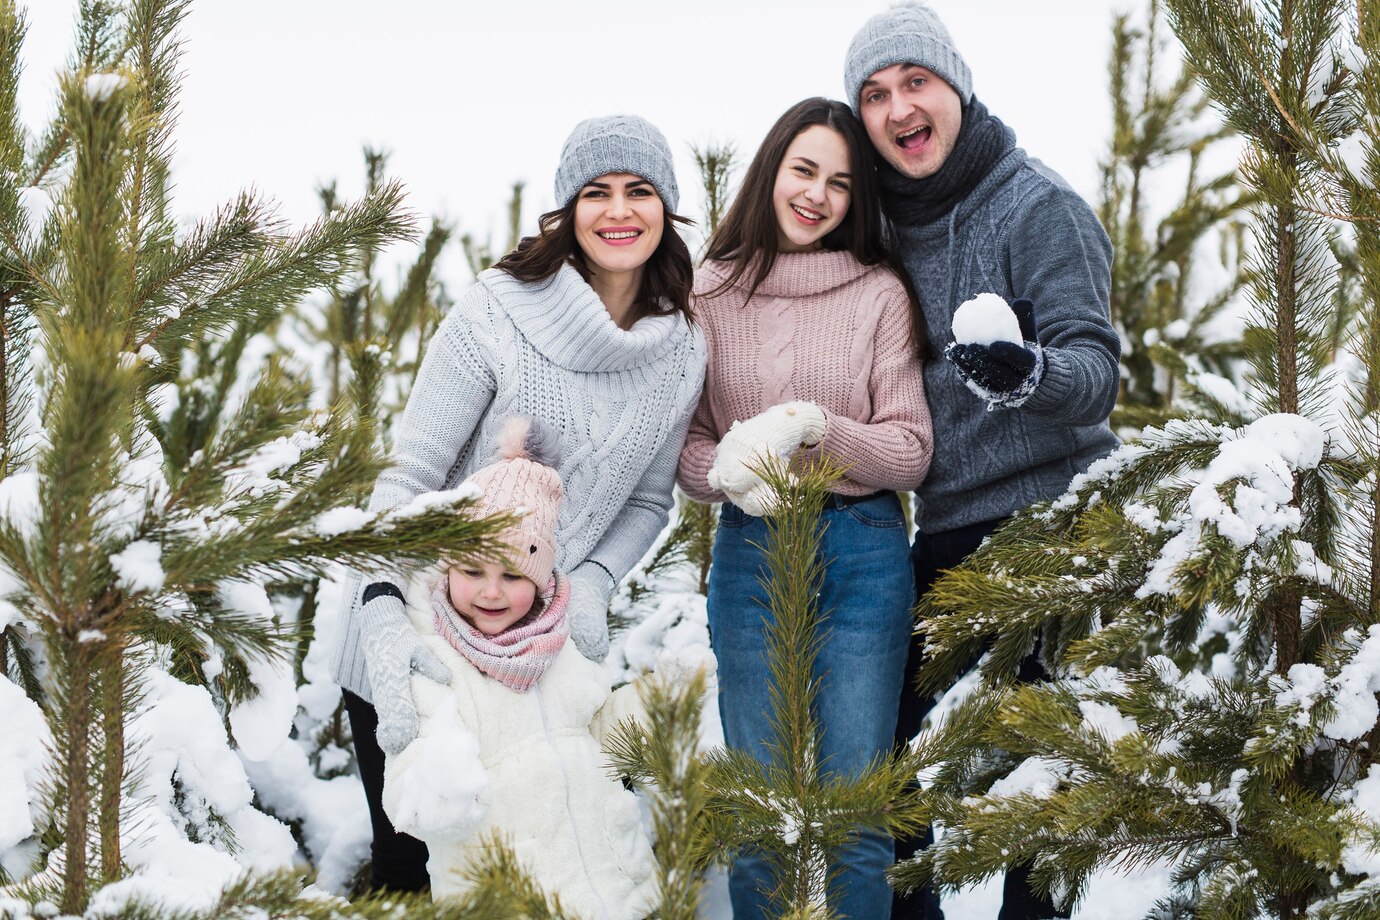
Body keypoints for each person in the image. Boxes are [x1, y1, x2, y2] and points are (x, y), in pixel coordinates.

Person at [330, 114, 707, 893]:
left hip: (537, 659)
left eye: (639, 191)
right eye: (595, 192)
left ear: (666, 209)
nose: (618, 211)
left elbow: (646, 498)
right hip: (418, 647)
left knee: (543, 877)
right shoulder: (499, 311)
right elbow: (407, 479)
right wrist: (378, 617)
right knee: (421, 878)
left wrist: (596, 580)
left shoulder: (683, 350)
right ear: (568, 210)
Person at [842, 4, 1120, 918]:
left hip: (1055, 523)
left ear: (954, 86)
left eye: (915, 81)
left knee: (1045, 777)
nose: (899, 107)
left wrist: (1025, 372)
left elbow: (1095, 372)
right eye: (876, 94)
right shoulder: (879, 228)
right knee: (897, 758)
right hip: (946, 528)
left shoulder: (1036, 206)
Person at [677, 97, 933, 919]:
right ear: (772, 171)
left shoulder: (878, 293)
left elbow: (910, 449)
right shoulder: (707, 293)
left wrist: (818, 431)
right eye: (805, 171)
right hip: (752, 548)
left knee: (858, 809)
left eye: (841, 183)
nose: (818, 194)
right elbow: (684, 451)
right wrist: (731, 469)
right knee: (762, 808)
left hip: (864, 549)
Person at [381, 418, 657, 917]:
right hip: (510, 897)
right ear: (447, 568)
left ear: (541, 576)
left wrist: (659, 707)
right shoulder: (435, 661)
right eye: (471, 571)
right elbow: (405, 789)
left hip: (614, 885)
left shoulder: (562, 646)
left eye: (512, 574)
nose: (491, 591)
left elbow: (603, 737)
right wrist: (438, 789)